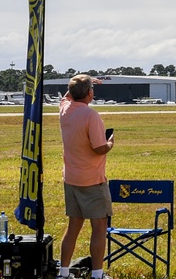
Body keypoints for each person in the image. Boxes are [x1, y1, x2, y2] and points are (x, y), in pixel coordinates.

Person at [58, 74, 114, 279]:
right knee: (99, 227)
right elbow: (99, 148)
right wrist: (110, 143)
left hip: (71, 178)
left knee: (73, 226)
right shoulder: (91, 116)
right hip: (92, 179)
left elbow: (66, 97)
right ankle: (97, 274)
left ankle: (63, 272)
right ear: (90, 94)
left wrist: (82, 80)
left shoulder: (64, 110)